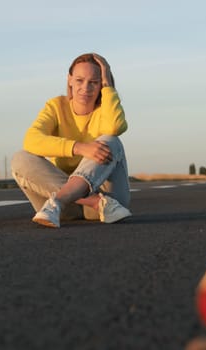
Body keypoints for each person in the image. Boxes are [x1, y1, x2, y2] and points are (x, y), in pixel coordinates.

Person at [11, 53, 132, 228]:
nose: (86, 88)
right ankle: (91, 201)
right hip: (70, 209)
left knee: (111, 141)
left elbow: (115, 127)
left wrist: (108, 87)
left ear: (102, 84)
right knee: (20, 158)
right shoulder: (56, 106)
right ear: (69, 80)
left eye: (94, 82)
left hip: (108, 205)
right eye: (79, 80)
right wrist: (79, 148)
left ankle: (59, 202)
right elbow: (31, 140)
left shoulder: (104, 111)